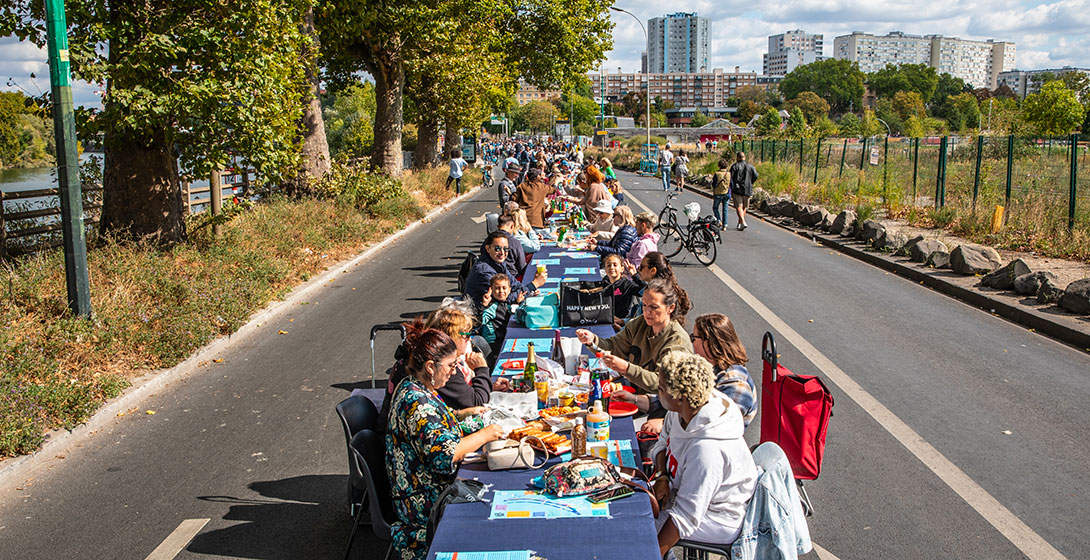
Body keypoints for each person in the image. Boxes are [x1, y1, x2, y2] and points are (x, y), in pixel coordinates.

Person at [385, 324, 507, 560]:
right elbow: (445, 455)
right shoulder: (416, 402)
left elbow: (441, 432)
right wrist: (484, 434)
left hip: (424, 490)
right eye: (451, 366)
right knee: (492, 504)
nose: (454, 371)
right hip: (423, 505)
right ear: (431, 366)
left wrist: (477, 420)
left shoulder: (417, 386)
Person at [649, 351, 758, 555]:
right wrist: (662, 475)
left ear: (680, 397)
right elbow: (663, 441)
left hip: (718, 516)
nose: (657, 392)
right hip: (685, 496)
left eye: (661, 389)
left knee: (643, 528)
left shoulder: (707, 452)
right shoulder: (680, 410)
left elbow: (685, 517)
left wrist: (651, 553)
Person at [575, 278, 692, 395]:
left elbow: (661, 383)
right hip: (634, 392)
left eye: (654, 307)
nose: (647, 311)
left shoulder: (677, 341)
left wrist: (626, 368)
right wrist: (592, 340)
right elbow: (614, 346)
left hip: (659, 405)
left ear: (670, 308)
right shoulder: (640, 323)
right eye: (645, 305)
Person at [692, 313, 757, 427]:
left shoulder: (734, 383)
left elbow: (714, 424)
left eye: (694, 338)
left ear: (708, 342)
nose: (692, 342)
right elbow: (684, 395)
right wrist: (651, 402)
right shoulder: (709, 368)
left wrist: (664, 423)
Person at [464, 232, 547, 306]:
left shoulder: (498, 263)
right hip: (482, 316)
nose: (502, 253)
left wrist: (530, 290)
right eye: (498, 249)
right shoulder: (483, 271)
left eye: (506, 249)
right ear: (488, 248)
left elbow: (515, 285)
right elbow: (505, 298)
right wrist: (534, 284)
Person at [478, 274, 520, 356]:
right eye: (497, 288)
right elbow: (480, 321)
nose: (501, 291)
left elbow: (507, 312)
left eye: (504, 288)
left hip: (503, 337)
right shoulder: (491, 307)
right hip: (494, 344)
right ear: (491, 290)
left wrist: (517, 302)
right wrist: (483, 306)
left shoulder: (504, 303)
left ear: (509, 290)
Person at [599, 253, 641, 328]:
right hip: (605, 319)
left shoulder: (627, 285)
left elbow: (645, 288)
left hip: (619, 322)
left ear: (622, 268)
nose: (611, 268)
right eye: (608, 265)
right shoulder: (605, 282)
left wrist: (635, 276)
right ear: (605, 269)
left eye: (615, 265)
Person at [729, 151, 759, 231]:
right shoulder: (750, 166)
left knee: (739, 206)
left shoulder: (735, 166)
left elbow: (730, 177)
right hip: (747, 188)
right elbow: (756, 175)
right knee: (744, 206)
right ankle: (740, 223)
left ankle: (742, 222)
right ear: (744, 157)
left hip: (737, 189)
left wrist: (731, 188)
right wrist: (751, 182)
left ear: (737, 158)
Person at [710, 158, 731, 230]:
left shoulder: (717, 174)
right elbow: (732, 184)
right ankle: (725, 225)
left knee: (715, 208)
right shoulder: (729, 174)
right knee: (725, 209)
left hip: (718, 193)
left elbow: (714, 184)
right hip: (727, 192)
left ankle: (718, 220)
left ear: (719, 166)